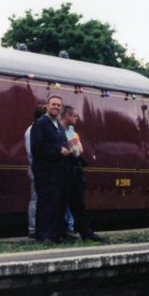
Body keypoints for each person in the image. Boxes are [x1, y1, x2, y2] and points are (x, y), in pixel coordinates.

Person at [30, 94, 72, 243]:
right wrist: (58, 150)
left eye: (59, 105)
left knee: (57, 202)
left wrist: (67, 149)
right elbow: (37, 146)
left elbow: (64, 142)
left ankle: (55, 235)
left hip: (58, 171)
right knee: (46, 202)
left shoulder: (58, 126)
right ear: (47, 106)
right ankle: (42, 236)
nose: (56, 107)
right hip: (45, 170)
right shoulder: (41, 123)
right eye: (53, 104)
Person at [60, 105, 101, 241]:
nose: (77, 118)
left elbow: (79, 150)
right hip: (65, 170)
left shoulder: (71, 130)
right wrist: (73, 149)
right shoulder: (59, 130)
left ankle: (86, 232)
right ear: (67, 116)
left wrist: (72, 150)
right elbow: (73, 149)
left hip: (75, 169)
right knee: (63, 203)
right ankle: (65, 232)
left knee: (79, 202)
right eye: (75, 116)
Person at [24, 104, 46, 239]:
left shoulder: (32, 129)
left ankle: (36, 227)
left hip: (37, 167)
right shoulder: (33, 130)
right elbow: (33, 152)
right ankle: (33, 228)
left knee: (37, 199)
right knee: (35, 199)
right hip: (37, 167)